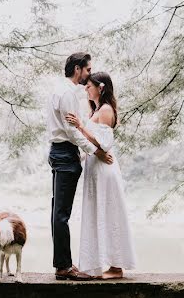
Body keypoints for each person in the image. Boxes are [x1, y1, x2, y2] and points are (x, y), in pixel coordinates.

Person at [46, 52, 113, 281]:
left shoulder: (62, 90)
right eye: (87, 70)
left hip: (60, 152)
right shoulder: (66, 93)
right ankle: (64, 267)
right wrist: (96, 152)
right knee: (61, 213)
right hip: (64, 153)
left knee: (58, 211)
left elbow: (74, 128)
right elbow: (71, 132)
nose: (89, 74)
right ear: (77, 69)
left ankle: (61, 264)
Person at [66, 71, 136, 279]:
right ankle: (101, 263)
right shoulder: (95, 110)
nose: (86, 89)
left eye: (89, 86)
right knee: (98, 213)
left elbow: (103, 143)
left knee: (109, 212)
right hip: (95, 168)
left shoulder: (106, 110)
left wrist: (80, 126)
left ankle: (116, 267)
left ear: (101, 87)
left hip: (105, 170)